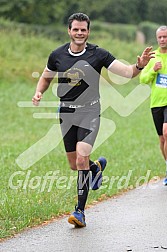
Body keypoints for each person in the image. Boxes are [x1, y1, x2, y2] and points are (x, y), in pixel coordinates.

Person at [32, 13, 154, 228]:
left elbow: (126, 73)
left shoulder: (98, 54)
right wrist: (39, 92)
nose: (80, 33)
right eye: (76, 29)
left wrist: (140, 66)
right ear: (69, 31)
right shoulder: (57, 54)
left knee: (80, 159)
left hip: (90, 112)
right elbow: (46, 75)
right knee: (75, 165)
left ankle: (79, 212)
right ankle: (95, 167)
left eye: (83, 30)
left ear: (88, 31)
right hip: (66, 113)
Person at [140, 26, 167, 186]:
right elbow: (143, 79)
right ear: (157, 38)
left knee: (166, 131)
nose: (163, 39)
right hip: (156, 102)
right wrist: (153, 71)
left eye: (165, 36)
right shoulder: (153, 56)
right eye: (160, 37)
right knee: (162, 138)